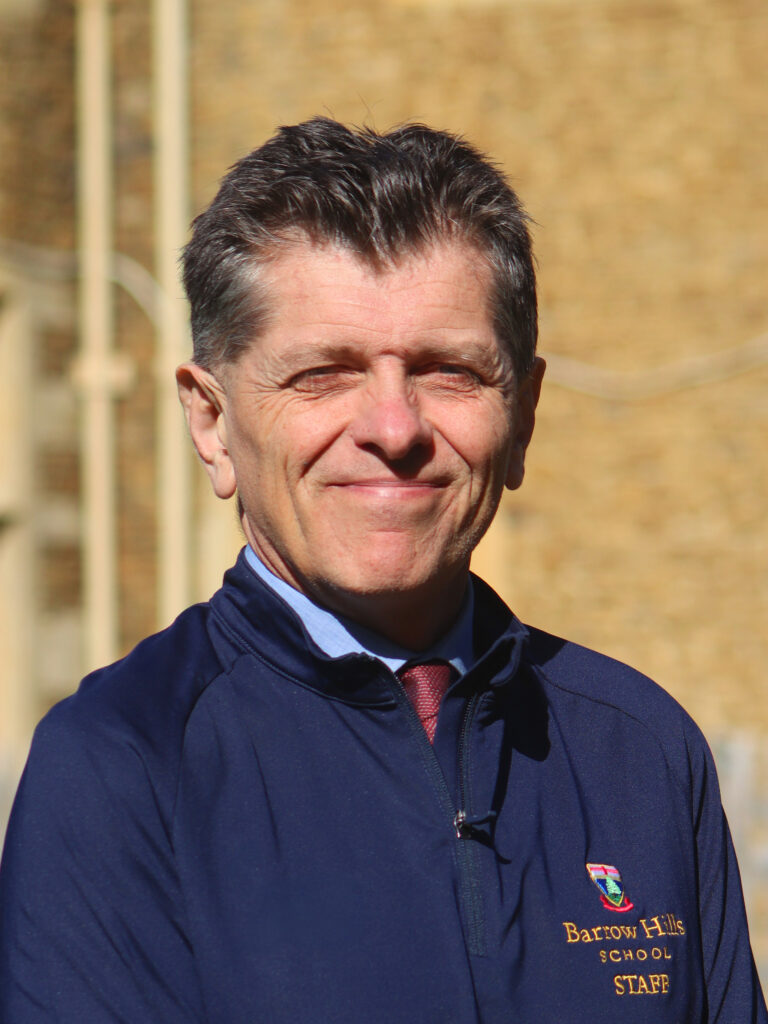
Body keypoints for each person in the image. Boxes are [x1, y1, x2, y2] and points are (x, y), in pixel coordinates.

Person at [0, 117, 765, 1024]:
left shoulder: (639, 752)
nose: (394, 429)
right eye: (323, 374)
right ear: (212, 424)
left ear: (523, 416)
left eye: (448, 371)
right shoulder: (125, 765)